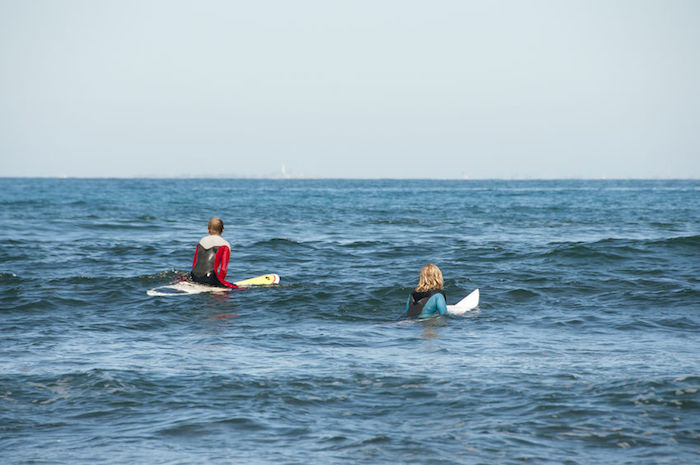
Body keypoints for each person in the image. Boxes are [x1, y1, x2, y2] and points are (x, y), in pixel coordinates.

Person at [190, 217, 239, 289]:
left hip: (193, 277)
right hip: (209, 279)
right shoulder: (225, 244)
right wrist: (220, 284)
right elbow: (223, 269)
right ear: (223, 230)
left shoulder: (201, 241)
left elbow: (194, 263)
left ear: (208, 230)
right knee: (239, 289)